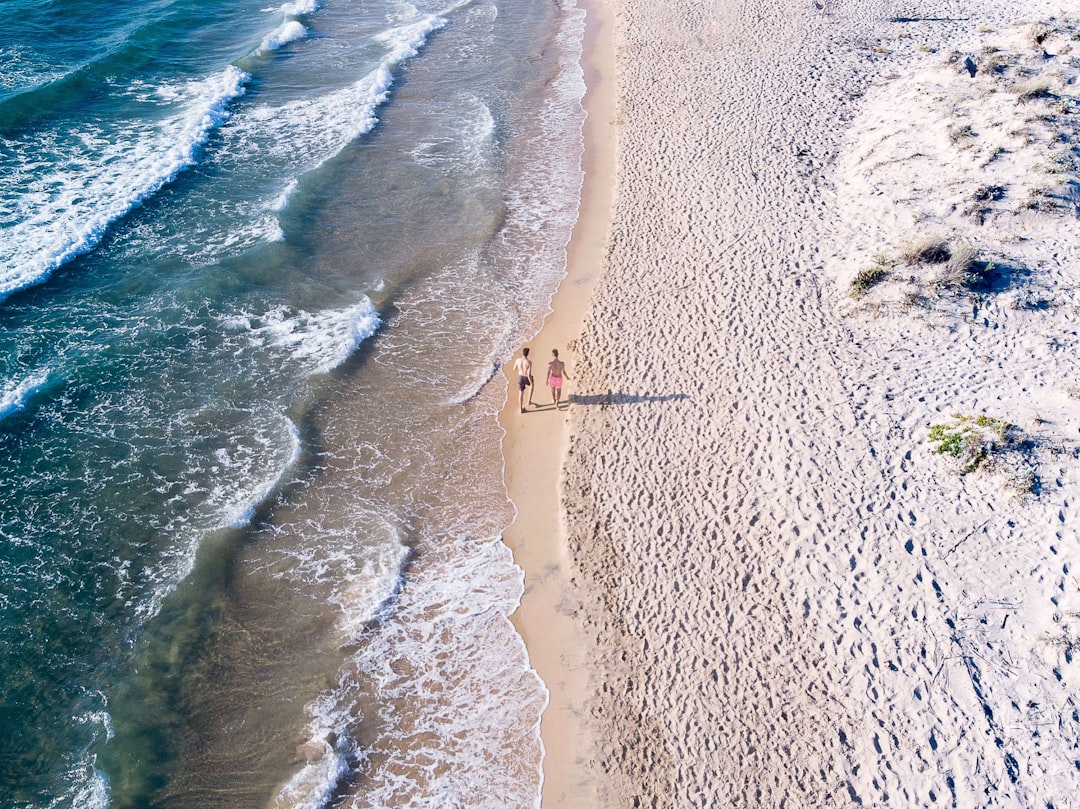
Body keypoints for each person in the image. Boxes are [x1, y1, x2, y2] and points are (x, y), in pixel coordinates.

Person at [512, 347, 534, 413]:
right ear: (528, 354)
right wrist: (531, 382)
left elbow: (514, 368)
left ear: (522, 353)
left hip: (520, 377)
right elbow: (529, 373)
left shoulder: (517, 360)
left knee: (521, 393)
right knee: (532, 386)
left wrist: (520, 368)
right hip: (526, 377)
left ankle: (520, 409)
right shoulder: (529, 362)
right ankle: (529, 401)